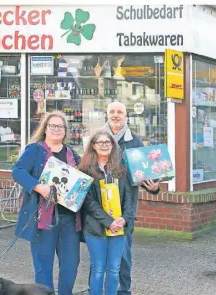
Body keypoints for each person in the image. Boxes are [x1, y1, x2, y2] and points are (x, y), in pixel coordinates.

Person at [12, 110, 81, 295]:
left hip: (69, 221)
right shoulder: (35, 150)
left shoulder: (72, 154)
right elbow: (17, 172)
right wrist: (38, 187)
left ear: (65, 131)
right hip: (43, 221)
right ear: (45, 129)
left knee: (70, 267)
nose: (56, 129)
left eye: (60, 126)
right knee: (43, 269)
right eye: (53, 126)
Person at [104, 101, 160, 295]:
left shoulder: (134, 140)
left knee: (123, 254)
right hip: (101, 207)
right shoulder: (97, 138)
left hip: (125, 207)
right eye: (112, 111)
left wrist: (154, 188)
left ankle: (123, 290)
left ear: (126, 115)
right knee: (99, 254)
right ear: (107, 114)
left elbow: (143, 173)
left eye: (119, 112)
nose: (115, 115)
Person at [78, 130, 133, 295]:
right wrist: (109, 221)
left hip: (119, 228)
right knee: (98, 269)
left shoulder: (120, 170)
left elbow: (128, 198)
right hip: (95, 228)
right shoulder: (85, 170)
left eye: (107, 142)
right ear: (93, 146)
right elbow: (88, 202)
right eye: (100, 142)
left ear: (112, 146)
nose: (104, 145)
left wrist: (123, 219)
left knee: (114, 269)